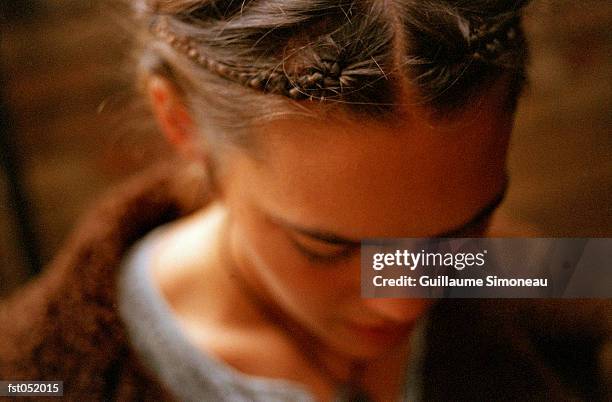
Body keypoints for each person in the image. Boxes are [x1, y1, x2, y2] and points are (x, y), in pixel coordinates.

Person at [0, 1, 609, 401]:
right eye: (327, 245)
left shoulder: (523, 277)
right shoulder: (39, 378)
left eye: (461, 228)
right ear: (178, 120)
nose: (404, 296)